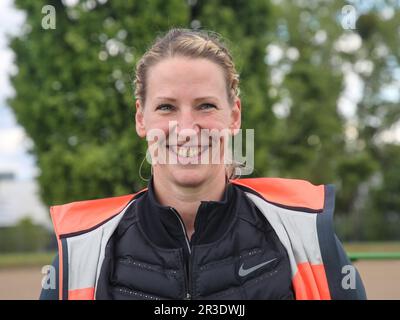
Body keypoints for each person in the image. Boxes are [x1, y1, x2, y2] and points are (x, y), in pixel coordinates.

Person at [40, 28, 366, 300]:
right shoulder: (80, 251)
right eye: (166, 107)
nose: (186, 129)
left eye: (206, 106)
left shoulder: (305, 232)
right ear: (141, 118)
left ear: (234, 116)